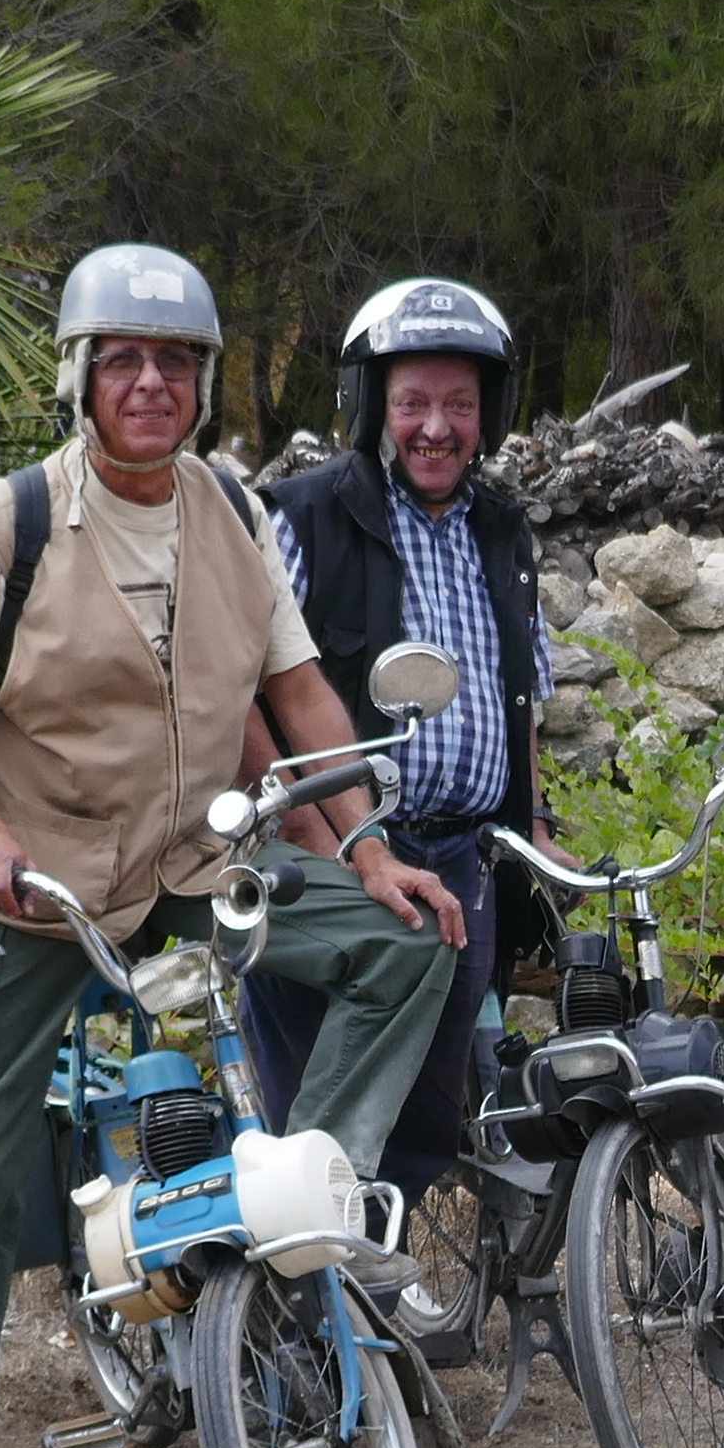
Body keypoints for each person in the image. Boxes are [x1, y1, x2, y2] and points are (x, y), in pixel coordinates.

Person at [0, 244, 471, 1448]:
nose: (151, 383)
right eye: (124, 360)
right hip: (39, 892)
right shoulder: (3, 525)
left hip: (199, 868)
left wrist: (365, 844)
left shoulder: (237, 515)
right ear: (81, 376)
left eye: (176, 362)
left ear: (204, 381)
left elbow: (295, 694)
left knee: (407, 940)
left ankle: (323, 1204)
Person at [252, 274, 546, 1189]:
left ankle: (392, 1293)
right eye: (413, 401)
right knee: (325, 1093)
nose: (436, 427)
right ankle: (303, 1311)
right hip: (337, 852)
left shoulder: (503, 530)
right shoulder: (302, 516)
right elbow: (254, 692)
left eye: (459, 404)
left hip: (463, 859)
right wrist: (321, 835)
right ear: (370, 404)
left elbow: (521, 696)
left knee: (427, 1110)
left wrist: (530, 827)